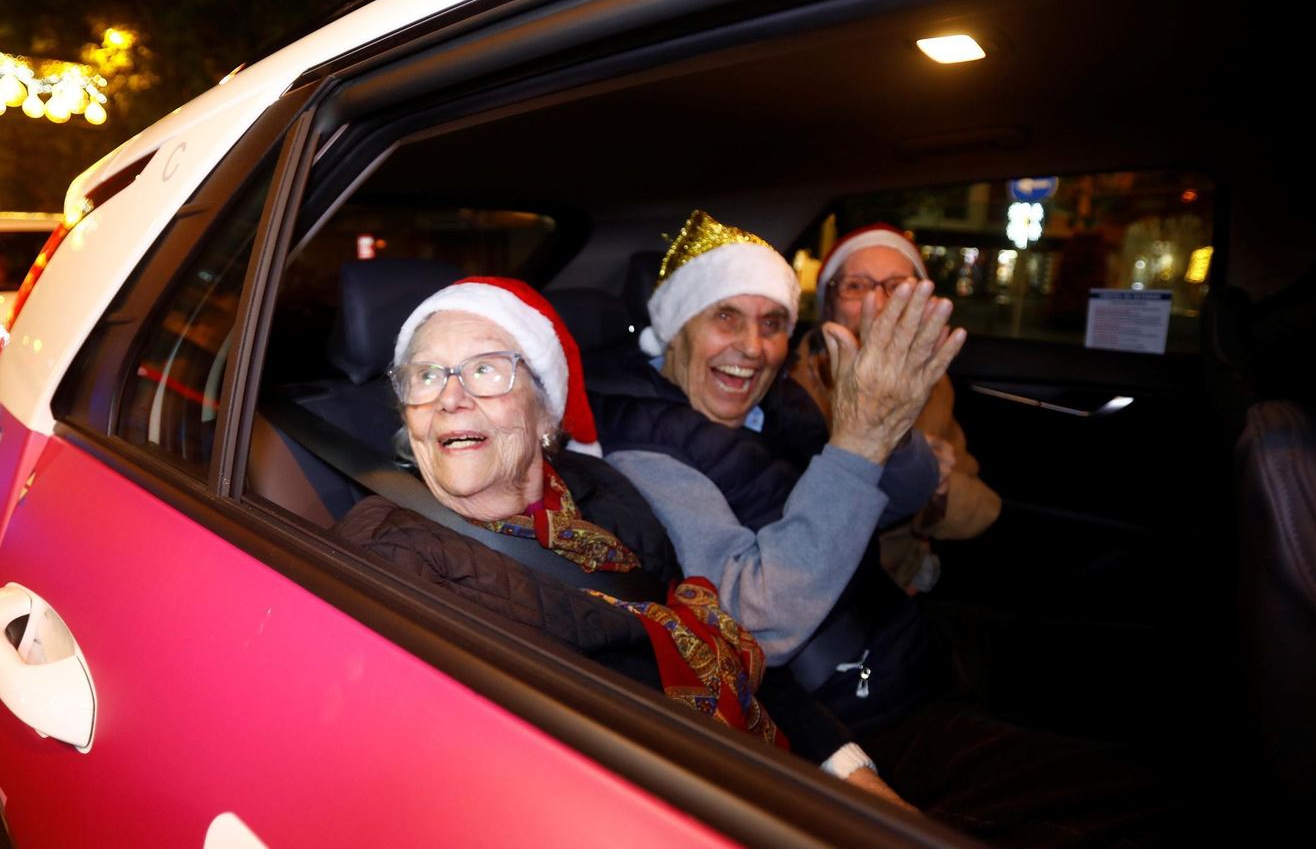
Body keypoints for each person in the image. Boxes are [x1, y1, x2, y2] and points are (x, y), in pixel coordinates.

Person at [591, 211, 1178, 846]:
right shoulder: (646, 454)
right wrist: (861, 438)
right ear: (675, 328)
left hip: (905, 640)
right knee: (1142, 801)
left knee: (1156, 670)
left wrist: (882, 427)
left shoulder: (773, 408)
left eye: (773, 323)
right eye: (726, 316)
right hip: (857, 712)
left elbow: (904, 496)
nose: (754, 347)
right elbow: (749, 623)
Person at [328, 276, 910, 806]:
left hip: (758, 762)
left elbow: (717, 638)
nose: (451, 398)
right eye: (426, 376)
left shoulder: (601, 489)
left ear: (544, 413)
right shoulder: (392, 558)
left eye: (485, 370)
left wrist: (848, 772)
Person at [793, 223, 1002, 593]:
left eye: (898, 288)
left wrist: (935, 486)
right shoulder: (787, 385)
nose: (877, 304)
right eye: (856, 286)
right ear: (830, 304)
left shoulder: (932, 387)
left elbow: (979, 509)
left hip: (893, 583)